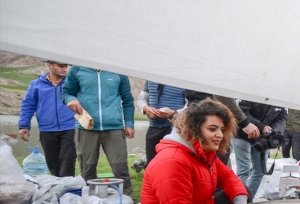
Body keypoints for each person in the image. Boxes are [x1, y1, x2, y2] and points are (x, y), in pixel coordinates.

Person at [140, 99, 249, 204]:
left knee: (243, 194)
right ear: (194, 128)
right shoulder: (172, 161)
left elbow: (228, 177)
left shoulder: (203, 153)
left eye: (222, 129)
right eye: (212, 129)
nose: (219, 135)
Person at [61, 66, 135, 196]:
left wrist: (129, 123)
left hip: (114, 128)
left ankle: (127, 203)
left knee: (121, 170)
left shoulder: (119, 71)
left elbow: (128, 100)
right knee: (87, 170)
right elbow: (66, 93)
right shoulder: (77, 69)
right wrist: (70, 99)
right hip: (86, 128)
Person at [18, 60, 76, 177]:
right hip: (47, 129)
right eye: (60, 66)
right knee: (53, 164)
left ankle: (68, 191)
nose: (64, 69)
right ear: (49, 66)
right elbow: (28, 105)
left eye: (65, 66)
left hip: (70, 128)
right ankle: (57, 189)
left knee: (67, 161)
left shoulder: (72, 84)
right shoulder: (36, 84)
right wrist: (24, 125)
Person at [233, 100, 287, 197]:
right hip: (242, 134)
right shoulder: (252, 94)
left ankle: (248, 200)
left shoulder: (280, 100)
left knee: (260, 171)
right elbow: (242, 112)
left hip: (262, 139)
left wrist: (275, 130)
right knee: (243, 170)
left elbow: (282, 117)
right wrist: (261, 126)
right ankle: (239, 202)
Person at [137, 81, 186, 165]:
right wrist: (146, 108)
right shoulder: (151, 77)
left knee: (172, 163)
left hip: (175, 130)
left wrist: (174, 113)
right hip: (153, 128)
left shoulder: (183, 78)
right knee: (151, 164)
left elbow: (191, 105)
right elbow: (142, 98)